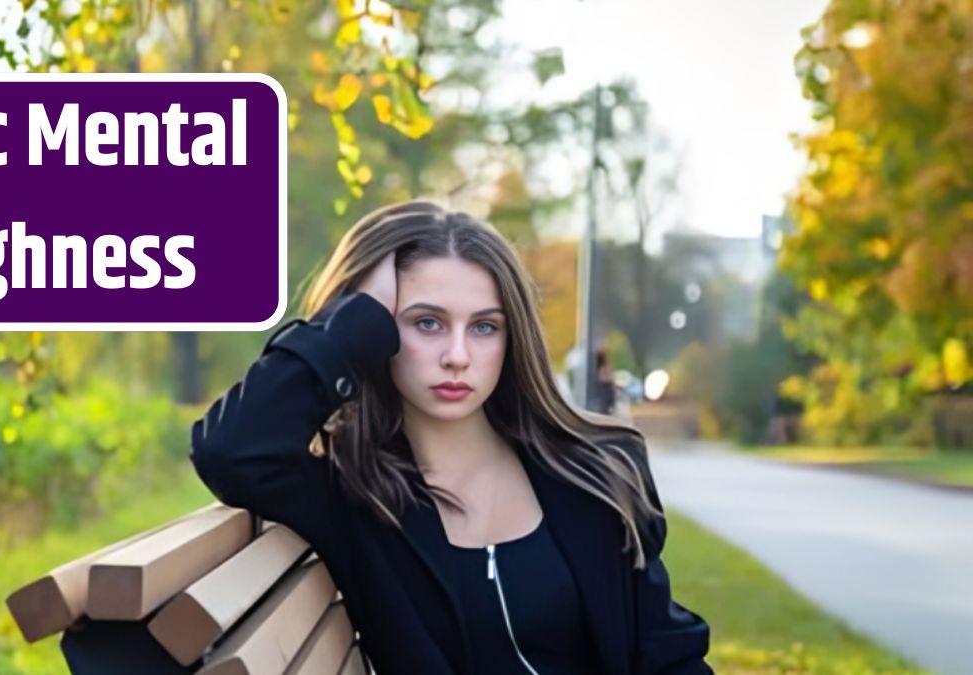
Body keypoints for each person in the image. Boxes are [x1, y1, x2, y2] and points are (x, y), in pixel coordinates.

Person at [190, 200, 712, 674]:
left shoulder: (592, 472)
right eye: (427, 323)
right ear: (379, 331)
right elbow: (232, 448)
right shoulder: (355, 499)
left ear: (513, 338)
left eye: (484, 327)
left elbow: (668, 656)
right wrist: (352, 321)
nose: (458, 355)